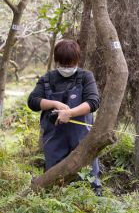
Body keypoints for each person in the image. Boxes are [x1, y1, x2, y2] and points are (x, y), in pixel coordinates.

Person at [28, 39, 102, 194]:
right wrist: (54, 103)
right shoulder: (47, 79)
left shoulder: (85, 77)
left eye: (70, 64)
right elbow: (33, 101)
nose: (67, 68)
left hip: (81, 138)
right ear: (57, 61)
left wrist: (70, 113)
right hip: (55, 140)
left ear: (77, 60)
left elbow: (93, 102)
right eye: (63, 64)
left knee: (87, 179)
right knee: (55, 183)